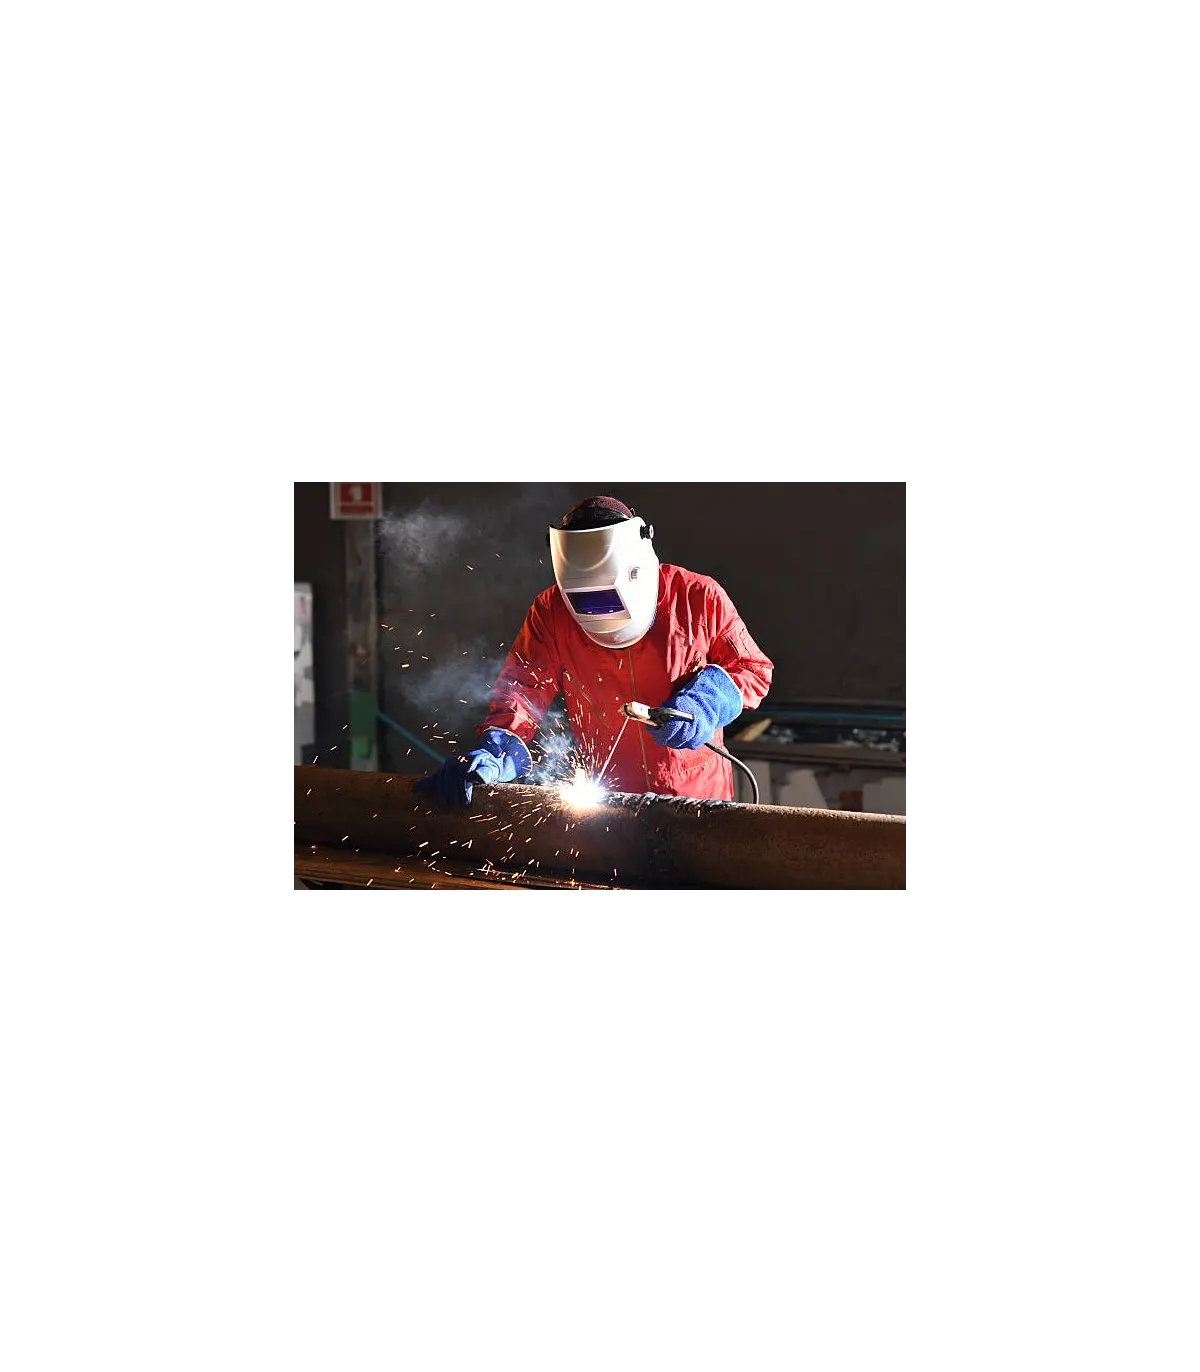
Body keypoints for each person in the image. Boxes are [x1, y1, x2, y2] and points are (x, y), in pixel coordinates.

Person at [415, 495, 773, 805]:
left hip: (698, 796)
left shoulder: (697, 596)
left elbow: (752, 669)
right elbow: (523, 689)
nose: (601, 614)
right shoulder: (551, 611)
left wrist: (704, 705)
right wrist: (497, 748)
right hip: (610, 798)